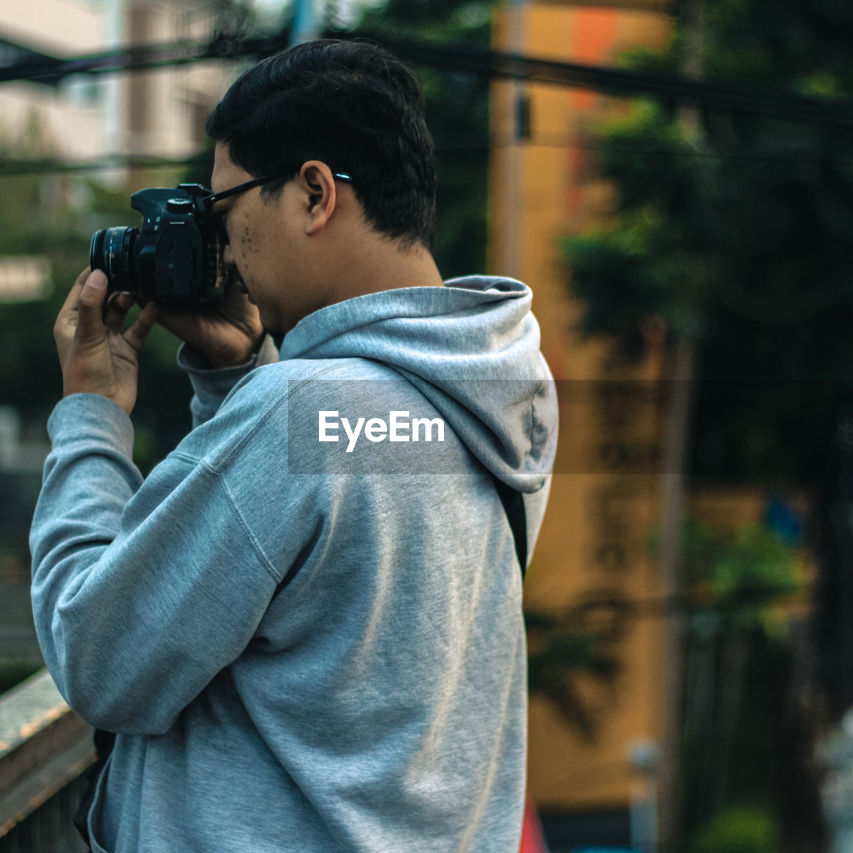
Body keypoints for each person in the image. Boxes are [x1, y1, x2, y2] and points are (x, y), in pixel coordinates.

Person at [29, 39, 557, 852]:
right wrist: (239, 375)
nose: (223, 250)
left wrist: (91, 416)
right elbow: (346, 608)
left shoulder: (298, 416)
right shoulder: (503, 386)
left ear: (314, 192)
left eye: (225, 213)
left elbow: (100, 655)